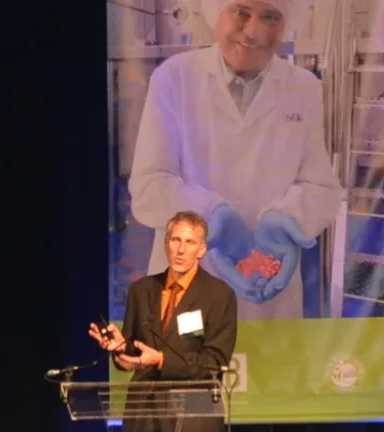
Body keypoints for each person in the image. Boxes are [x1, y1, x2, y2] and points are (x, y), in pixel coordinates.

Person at [128, 0, 344, 320]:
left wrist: (287, 217)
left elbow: (320, 186)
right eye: (241, 12)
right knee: (190, 347)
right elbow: (149, 185)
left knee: (268, 353)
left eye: (270, 16)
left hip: (268, 284)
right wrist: (209, 215)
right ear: (217, 11)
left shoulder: (304, 88)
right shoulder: (174, 78)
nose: (254, 31)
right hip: (190, 281)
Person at [89, 210, 237, 432]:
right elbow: (136, 352)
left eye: (189, 242)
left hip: (193, 421)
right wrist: (121, 349)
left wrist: (160, 360)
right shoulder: (141, 290)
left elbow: (213, 364)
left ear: (201, 250)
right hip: (144, 418)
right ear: (166, 243)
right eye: (175, 240)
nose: (181, 249)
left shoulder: (219, 295)